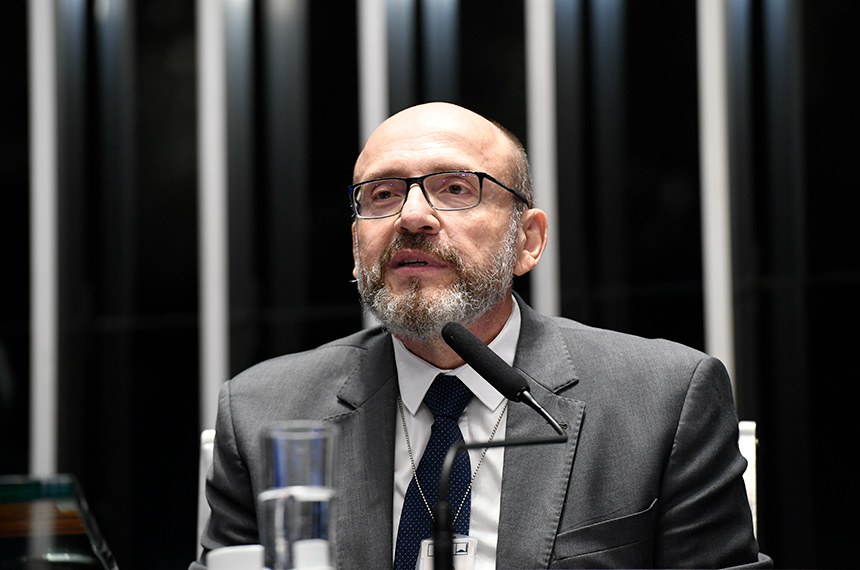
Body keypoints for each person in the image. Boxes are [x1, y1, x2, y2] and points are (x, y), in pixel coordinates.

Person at [192, 102, 770, 569]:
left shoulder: (663, 400)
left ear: (528, 241)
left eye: (455, 188)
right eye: (383, 195)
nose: (411, 217)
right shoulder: (264, 410)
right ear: (355, 245)